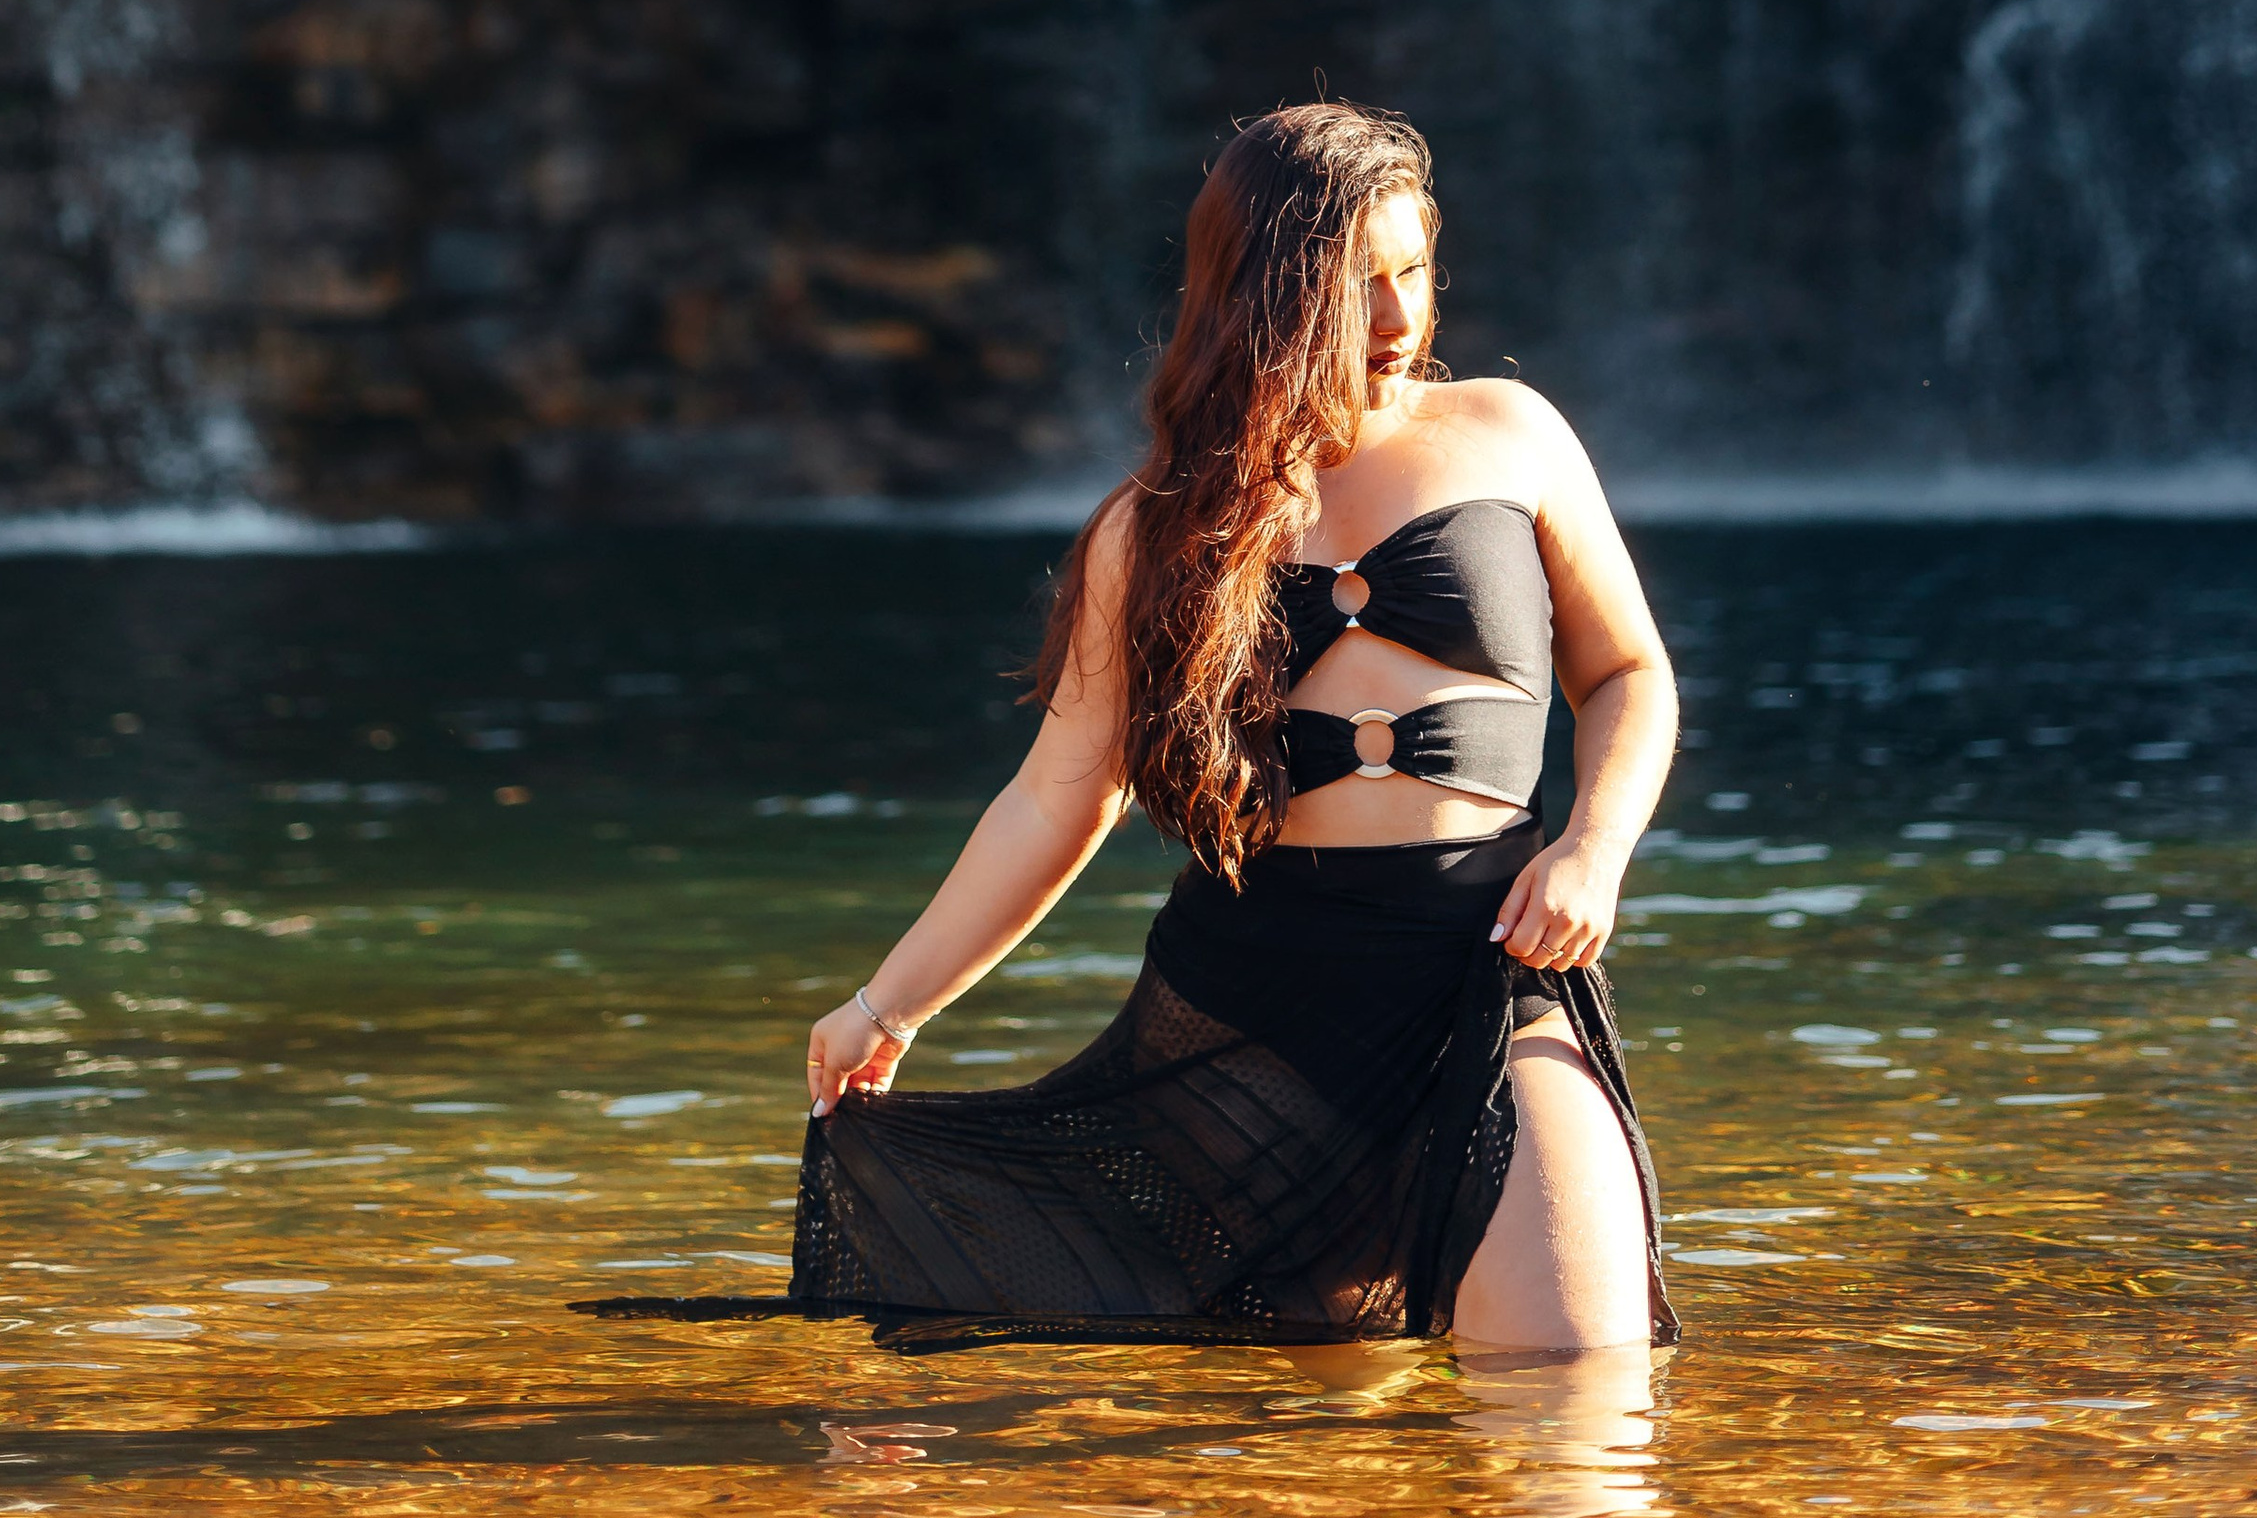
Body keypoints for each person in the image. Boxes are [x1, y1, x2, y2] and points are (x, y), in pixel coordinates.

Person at [594, 100, 1680, 1354]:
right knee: (1307, 1431)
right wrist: (886, 1007)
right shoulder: (1152, 527)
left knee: (1577, 1389)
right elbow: (1059, 794)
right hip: (1255, 1018)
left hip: (1494, 969)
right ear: (1264, 295)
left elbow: (1627, 674)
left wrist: (1592, 850)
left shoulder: (1513, 432)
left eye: (1413, 272)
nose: (1397, 319)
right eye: (1355, 286)